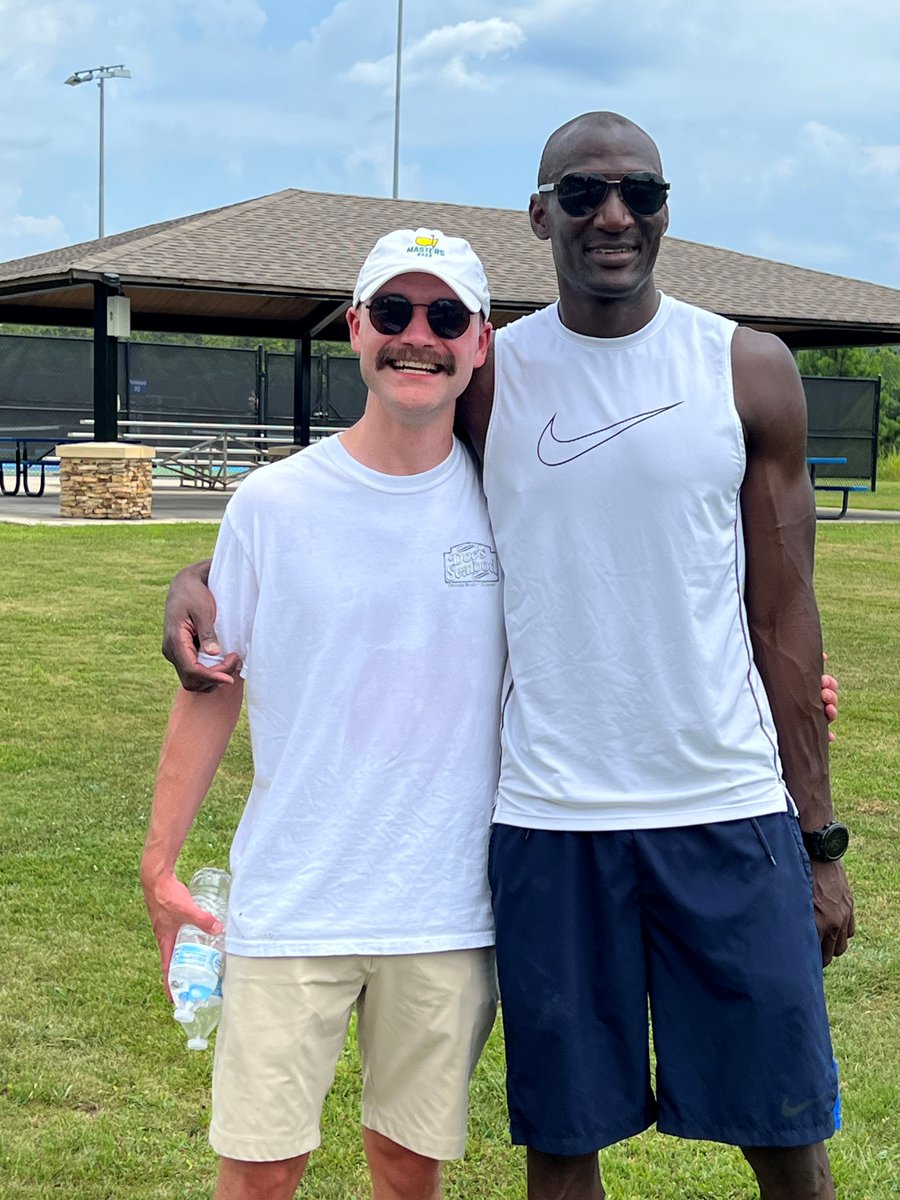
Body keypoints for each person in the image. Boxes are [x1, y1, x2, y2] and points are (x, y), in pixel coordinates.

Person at [162, 113, 852, 1200]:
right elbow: (372, 480)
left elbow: (787, 615)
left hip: (725, 809)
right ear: (542, 216)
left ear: (669, 209)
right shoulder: (496, 377)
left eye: (641, 193)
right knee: (564, 1148)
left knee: (787, 1138)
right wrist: (208, 574)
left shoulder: (746, 369)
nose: (614, 215)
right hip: (553, 823)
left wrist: (818, 842)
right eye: (582, 194)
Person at [142, 229, 504, 1200]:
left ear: (479, 341)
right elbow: (213, 685)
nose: (416, 337)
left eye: (444, 317)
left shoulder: (509, 502)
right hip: (291, 897)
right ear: (356, 329)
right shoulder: (274, 503)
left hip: (445, 906)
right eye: (393, 313)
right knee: (261, 1170)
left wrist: (776, 690)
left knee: (406, 1165)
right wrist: (159, 865)